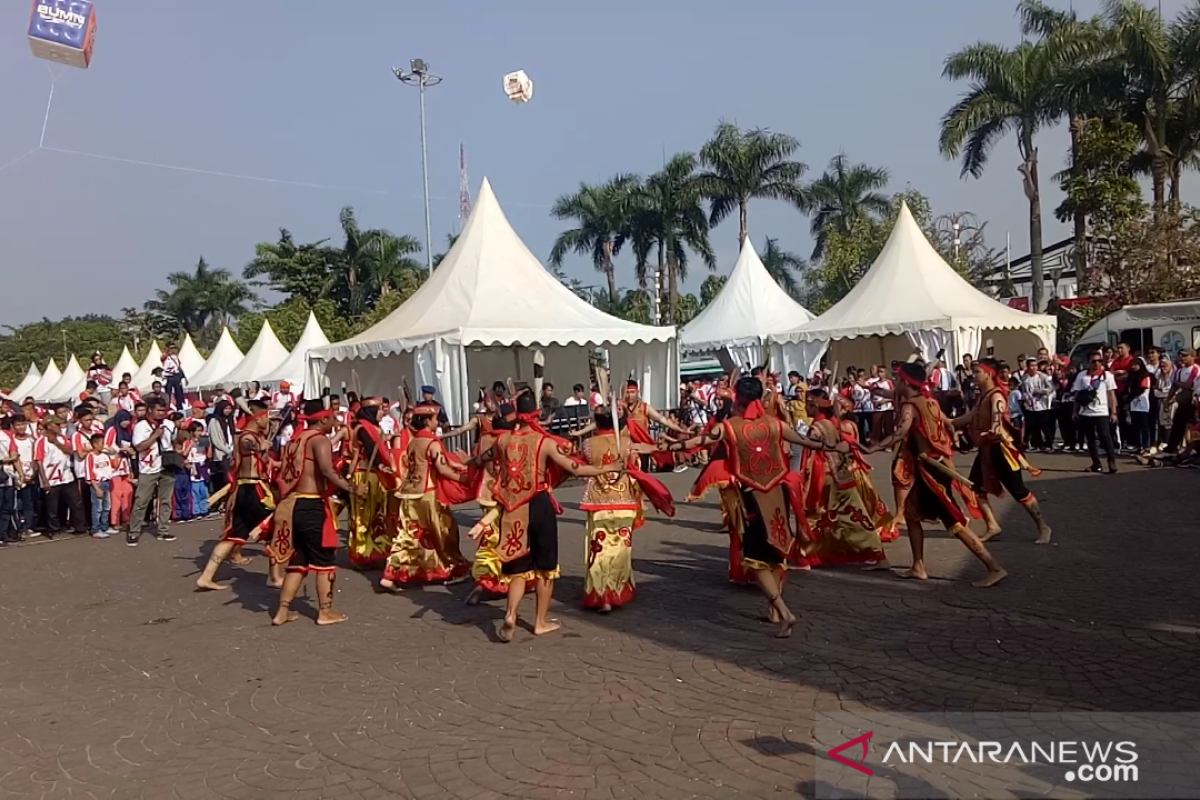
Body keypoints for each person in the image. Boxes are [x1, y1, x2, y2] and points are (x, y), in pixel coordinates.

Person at [662, 377, 849, 636]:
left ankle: (783, 610)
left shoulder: (730, 427)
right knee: (777, 550)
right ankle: (774, 611)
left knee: (756, 558)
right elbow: (809, 443)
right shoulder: (776, 425)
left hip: (753, 497)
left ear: (738, 399)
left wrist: (662, 446)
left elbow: (697, 443)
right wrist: (836, 444)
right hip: (778, 495)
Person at [473, 392, 621, 642]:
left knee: (517, 568)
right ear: (537, 414)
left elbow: (481, 459)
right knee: (545, 568)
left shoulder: (502, 441)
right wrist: (610, 467)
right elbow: (576, 468)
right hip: (539, 504)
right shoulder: (544, 442)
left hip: (512, 509)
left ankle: (510, 613)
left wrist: (466, 461)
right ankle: (540, 623)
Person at [866, 362, 1006, 588]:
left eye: (898, 379)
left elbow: (900, 432)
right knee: (911, 514)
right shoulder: (930, 402)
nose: (896, 383)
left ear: (905, 382)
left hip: (932, 471)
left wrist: (874, 447)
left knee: (954, 522)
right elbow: (942, 425)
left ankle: (994, 567)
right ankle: (918, 566)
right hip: (933, 467)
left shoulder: (910, 406)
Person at [271, 399, 364, 627]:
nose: (336, 420)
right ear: (323, 419)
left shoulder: (296, 439)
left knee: (298, 562)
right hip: (311, 505)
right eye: (333, 416)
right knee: (324, 562)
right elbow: (326, 470)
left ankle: (282, 612)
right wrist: (352, 488)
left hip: (294, 504)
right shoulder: (319, 439)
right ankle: (325, 612)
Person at [577, 405, 674, 612]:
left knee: (598, 549)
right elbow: (636, 465)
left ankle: (601, 594)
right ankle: (616, 590)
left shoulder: (587, 444)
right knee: (620, 549)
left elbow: (579, 465)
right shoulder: (627, 444)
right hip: (623, 501)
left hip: (597, 502)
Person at [796, 392, 895, 569]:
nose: (804, 408)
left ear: (815, 406)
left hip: (828, 480)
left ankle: (806, 557)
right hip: (842, 476)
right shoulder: (833, 424)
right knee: (855, 518)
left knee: (813, 517)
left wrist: (805, 484)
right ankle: (879, 555)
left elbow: (811, 460)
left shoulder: (817, 429)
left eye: (807, 404)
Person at [379, 402, 473, 588]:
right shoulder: (431, 442)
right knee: (444, 531)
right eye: (435, 419)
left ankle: (390, 574)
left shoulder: (413, 442)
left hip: (408, 494)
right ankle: (455, 568)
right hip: (428, 494)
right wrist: (464, 479)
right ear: (428, 421)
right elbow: (441, 468)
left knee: (406, 535)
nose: (437, 422)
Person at [960, 359, 1052, 545]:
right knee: (976, 489)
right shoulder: (982, 397)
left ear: (987, 373)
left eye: (977, 372)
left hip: (1001, 450)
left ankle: (1043, 526)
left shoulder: (996, 396)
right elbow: (967, 418)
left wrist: (993, 428)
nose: (973, 375)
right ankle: (992, 526)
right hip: (986, 449)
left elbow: (997, 414)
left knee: (1019, 492)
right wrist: (942, 420)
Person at [196, 399, 279, 590]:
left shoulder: (255, 435)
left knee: (233, 537)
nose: (268, 420)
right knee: (276, 530)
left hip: (247, 490)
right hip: (252, 491)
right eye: (266, 417)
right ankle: (275, 577)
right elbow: (249, 445)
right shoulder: (246, 437)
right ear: (258, 419)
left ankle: (206, 577)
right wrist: (261, 446)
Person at [345, 401, 396, 567]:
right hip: (363, 475)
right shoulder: (362, 429)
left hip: (376, 476)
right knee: (362, 516)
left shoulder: (374, 428)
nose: (382, 413)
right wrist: (381, 465)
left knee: (376, 517)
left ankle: (374, 551)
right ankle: (361, 553)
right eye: (379, 410)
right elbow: (369, 447)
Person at [35, 415, 87, 538]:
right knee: (52, 507)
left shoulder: (62, 438)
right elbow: (39, 462)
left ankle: (80, 527)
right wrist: (44, 480)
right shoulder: (41, 442)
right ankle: (54, 529)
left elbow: (70, 451)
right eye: (57, 425)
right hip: (51, 478)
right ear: (49, 426)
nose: (60, 427)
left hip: (67, 476)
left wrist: (57, 443)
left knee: (76, 502)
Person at [1073, 351, 1119, 474]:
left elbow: (1111, 394)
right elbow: (1077, 395)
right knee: (1090, 438)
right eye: (1094, 361)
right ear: (1089, 362)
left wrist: (1113, 412)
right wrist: (1075, 411)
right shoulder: (1082, 376)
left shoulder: (1107, 375)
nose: (1097, 364)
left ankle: (1111, 460)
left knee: (1105, 436)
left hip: (1101, 411)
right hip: (1086, 412)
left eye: (1099, 361)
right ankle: (1096, 463)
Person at [82, 433, 115, 538]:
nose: (103, 445)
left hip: (106, 482)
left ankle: (104, 526)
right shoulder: (90, 457)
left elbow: (109, 468)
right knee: (97, 508)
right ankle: (95, 529)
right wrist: (96, 488)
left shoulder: (105, 455)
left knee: (107, 507)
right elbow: (89, 473)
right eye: (101, 443)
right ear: (95, 444)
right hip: (97, 484)